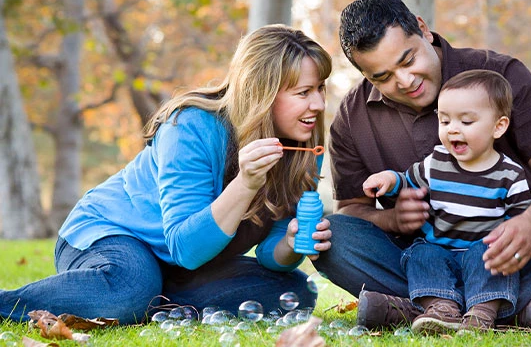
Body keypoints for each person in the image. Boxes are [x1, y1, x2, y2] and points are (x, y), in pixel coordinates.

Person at [312, 0, 531, 330]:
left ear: (424, 30)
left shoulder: (502, 75)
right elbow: (351, 209)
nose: (405, 81)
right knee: (330, 236)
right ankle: (501, 314)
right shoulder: (352, 117)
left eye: (408, 60)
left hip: (506, 257)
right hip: (424, 259)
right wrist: (393, 220)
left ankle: (416, 312)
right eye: (381, 77)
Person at [0, 24, 333, 324]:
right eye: (304, 93)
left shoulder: (302, 150)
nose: (317, 104)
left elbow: (270, 251)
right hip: (111, 235)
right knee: (130, 288)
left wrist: (290, 243)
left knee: (294, 290)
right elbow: (185, 247)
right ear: (261, 92)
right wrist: (246, 184)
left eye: (320, 88)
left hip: (180, 266)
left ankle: (149, 301)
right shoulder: (191, 126)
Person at [362, 69, 531, 333]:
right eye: (444, 121)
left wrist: (512, 246)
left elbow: (522, 223)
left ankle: (482, 313)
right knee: (421, 252)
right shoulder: (436, 162)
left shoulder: (510, 175)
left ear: (498, 126)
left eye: (465, 122)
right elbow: (408, 180)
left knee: (491, 254)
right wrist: (389, 180)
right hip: (441, 252)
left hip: (483, 255)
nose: (453, 129)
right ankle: (442, 308)